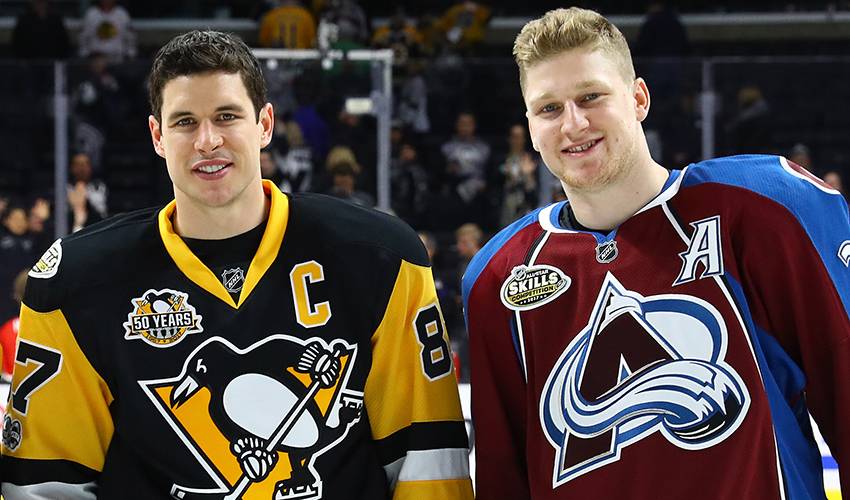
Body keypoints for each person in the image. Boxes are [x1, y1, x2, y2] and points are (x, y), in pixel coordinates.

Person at [1, 30, 473, 500]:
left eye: (226, 116)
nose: (208, 140)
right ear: (157, 135)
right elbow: (45, 485)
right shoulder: (77, 283)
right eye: (185, 121)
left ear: (264, 124)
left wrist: (316, 370)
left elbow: (425, 466)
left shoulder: (381, 259)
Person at [462, 7, 849, 500]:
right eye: (549, 108)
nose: (573, 124)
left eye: (590, 97)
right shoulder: (500, 277)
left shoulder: (761, 208)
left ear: (639, 98)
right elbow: (503, 476)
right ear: (531, 126)